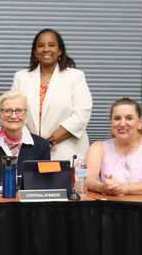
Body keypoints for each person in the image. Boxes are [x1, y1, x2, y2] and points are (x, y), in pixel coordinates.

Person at [11, 28, 92, 162]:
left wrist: (49, 141)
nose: (46, 49)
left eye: (51, 45)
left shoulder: (75, 77)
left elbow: (81, 116)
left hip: (67, 153)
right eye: (41, 45)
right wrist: (34, 142)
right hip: (29, 151)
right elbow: (14, 112)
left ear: (60, 51)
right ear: (35, 52)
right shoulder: (21, 77)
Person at [86, 97, 142, 195]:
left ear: (140, 122)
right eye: (117, 119)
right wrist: (103, 187)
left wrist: (124, 188)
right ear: (111, 121)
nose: (122, 124)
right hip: (114, 203)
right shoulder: (98, 147)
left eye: (129, 118)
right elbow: (86, 179)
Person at [0, 90, 51, 184]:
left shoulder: (42, 146)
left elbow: (45, 184)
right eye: (7, 111)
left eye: (19, 111)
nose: (13, 116)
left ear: (25, 115)